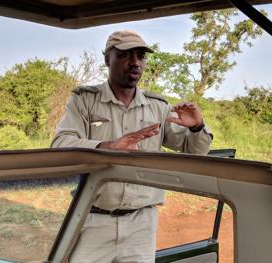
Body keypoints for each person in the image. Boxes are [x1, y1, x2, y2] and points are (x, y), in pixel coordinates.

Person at [51, 29, 213, 263]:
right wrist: (108, 146)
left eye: (140, 56)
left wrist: (197, 127)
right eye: (126, 55)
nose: (135, 62)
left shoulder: (157, 106)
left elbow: (195, 152)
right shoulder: (84, 100)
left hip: (142, 223)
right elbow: (60, 144)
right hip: (92, 219)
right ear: (108, 59)